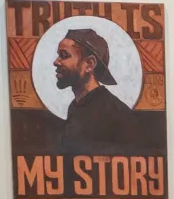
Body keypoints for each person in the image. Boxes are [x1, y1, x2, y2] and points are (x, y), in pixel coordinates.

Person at [52, 26, 138, 156]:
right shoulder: (74, 107)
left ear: (89, 64)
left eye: (64, 55)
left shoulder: (115, 112)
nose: (56, 62)